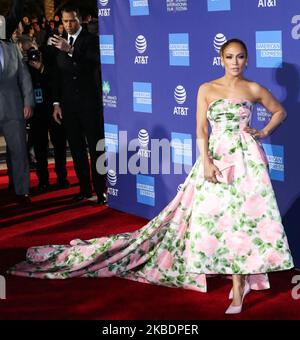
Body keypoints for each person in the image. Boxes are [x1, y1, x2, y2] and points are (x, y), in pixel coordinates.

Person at [7, 39, 294, 314]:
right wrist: (205, 160)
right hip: (216, 158)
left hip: (247, 161)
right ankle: (237, 278)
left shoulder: (254, 88)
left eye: (240, 56)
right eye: (229, 56)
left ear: (247, 59)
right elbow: (201, 130)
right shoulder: (207, 88)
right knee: (218, 219)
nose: (235, 62)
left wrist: (262, 132)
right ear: (221, 59)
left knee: (245, 220)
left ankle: (241, 281)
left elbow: (279, 111)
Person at [50, 6, 107, 204]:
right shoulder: (58, 44)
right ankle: (84, 189)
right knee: (76, 149)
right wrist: (56, 104)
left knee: (96, 148)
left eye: (72, 20)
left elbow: (95, 63)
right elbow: (57, 76)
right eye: (65, 21)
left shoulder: (92, 40)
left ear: (80, 19)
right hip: (68, 106)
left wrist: (71, 50)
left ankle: (102, 190)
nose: (68, 25)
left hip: (90, 104)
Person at [18, 35, 69, 191]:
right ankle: (43, 180)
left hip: (53, 107)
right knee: (39, 147)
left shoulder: (48, 55)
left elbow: (56, 78)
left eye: (31, 48)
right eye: (25, 51)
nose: (30, 53)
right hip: (36, 110)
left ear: (35, 44)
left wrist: (41, 67)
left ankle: (62, 177)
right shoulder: (21, 63)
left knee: (59, 143)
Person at [0, 38, 34, 204]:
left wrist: (28, 102)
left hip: (13, 107)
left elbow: (24, 77)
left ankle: (22, 190)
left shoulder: (12, 48)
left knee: (19, 151)